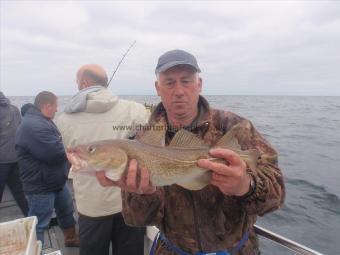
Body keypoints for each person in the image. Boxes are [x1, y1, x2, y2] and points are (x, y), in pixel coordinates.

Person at [94, 49, 286, 255]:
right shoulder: (143, 140)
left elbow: (278, 195)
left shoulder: (234, 127)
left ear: (199, 84)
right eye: (169, 82)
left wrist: (246, 186)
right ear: (157, 88)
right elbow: (137, 219)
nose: (178, 91)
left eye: (186, 81)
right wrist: (143, 194)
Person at [55, 64, 149, 255]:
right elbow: (152, 141)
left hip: (92, 208)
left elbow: (71, 155)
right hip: (129, 201)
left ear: (85, 83)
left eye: (77, 82)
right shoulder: (135, 109)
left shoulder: (64, 119)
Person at [15, 91, 79, 247]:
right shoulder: (34, 125)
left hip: (56, 180)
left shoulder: (42, 120)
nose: (57, 109)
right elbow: (54, 154)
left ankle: (70, 239)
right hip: (40, 185)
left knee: (66, 211)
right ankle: (36, 250)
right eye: (56, 106)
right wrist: (73, 151)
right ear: (47, 105)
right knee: (40, 222)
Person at [0, 91, 29, 216]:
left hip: (2, 160)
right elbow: (21, 131)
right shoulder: (14, 109)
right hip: (16, 157)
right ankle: (30, 218)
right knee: (19, 192)